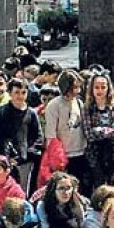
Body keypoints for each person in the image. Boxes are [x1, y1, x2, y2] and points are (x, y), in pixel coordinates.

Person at [0, 78, 43, 193]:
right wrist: (6, 158)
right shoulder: (1, 112)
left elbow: (38, 137)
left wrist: (28, 153)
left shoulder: (31, 113)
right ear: (10, 93)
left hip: (26, 161)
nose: (20, 96)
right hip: (6, 163)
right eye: (17, 92)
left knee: (24, 192)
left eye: (23, 92)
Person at [45, 70, 89, 199]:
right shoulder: (54, 105)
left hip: (80, 152)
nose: (77, 91)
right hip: (64, 156)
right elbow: (51, 135)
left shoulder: (79, 103)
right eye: (74, 87)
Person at [81, 71, 114, 194]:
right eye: (96, 87)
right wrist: (109, 131)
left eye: (103, 87)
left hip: (113, 152)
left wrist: (101, 131)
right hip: (95, 154)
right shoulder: (87, 108)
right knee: (99, 187)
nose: (100, 90)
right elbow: (89, 134)